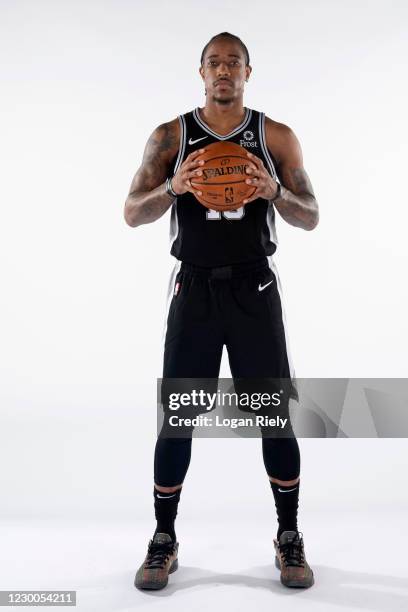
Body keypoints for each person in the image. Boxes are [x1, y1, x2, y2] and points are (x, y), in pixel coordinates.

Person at [124, 32, 319, 591]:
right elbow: (132, 212)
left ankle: (288, 537)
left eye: (234, 62)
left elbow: (311, 214)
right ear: (201, 73)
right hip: (195, 292)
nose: (224, 71)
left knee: (273, 415)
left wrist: (274, 192)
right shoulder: (171, 136)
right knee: (178, 417)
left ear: (248, 72)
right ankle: (164, 538)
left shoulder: (274, 136)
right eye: (215, 63)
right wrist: (173, 185)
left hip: (255, 292)